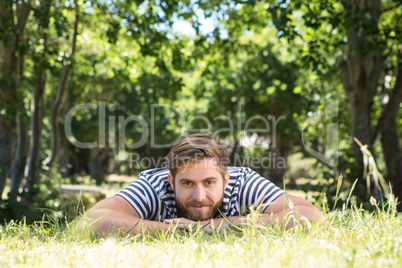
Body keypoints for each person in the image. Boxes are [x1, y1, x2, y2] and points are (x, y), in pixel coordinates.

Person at [78, 134, 324, 234]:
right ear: (171, 181)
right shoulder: (154, 185)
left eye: (209, 182)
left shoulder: (243, 182)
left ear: (225, 180)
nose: (199, 195)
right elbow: (91, 220)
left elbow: (311, 215)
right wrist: (176, 230)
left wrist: (214, 226)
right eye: (186, 183)